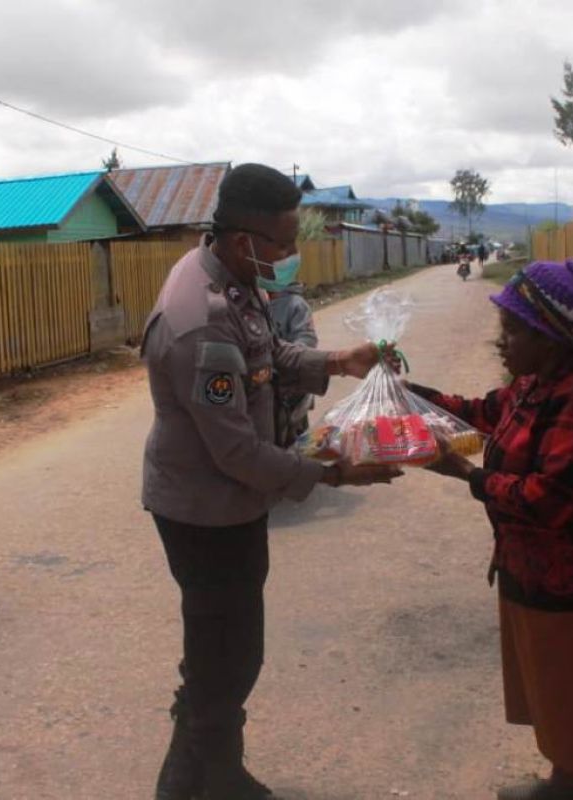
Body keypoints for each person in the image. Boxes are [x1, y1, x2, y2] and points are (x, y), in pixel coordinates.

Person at [141, 163, 402, 800]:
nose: (291, 255)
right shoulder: (200, 318)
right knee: (224, 656)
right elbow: (235, 450)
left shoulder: (227, 275)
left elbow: (266, 354)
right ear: (241, 241)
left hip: (227, 501)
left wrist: (338, 359)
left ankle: (214, 776)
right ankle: (191, 784)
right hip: (205, 509)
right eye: (283, 243)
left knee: (224, 653)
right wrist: (333, 473)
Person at [411, 259, 573, 800]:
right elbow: (478, 411)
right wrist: (408, 392)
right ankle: (563, 783)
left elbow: (546, 500)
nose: (501, 342)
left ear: (551, 336)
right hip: (535, 574)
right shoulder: (535, 385)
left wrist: (470, 474)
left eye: (512, 330)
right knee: (555, 692)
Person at [262, 271, 317, 448]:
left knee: (298, 443)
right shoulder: (257, 302)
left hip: (293, 392)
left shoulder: (296, 305)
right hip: (267, 391)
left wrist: (284, 360)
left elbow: (307, 340)